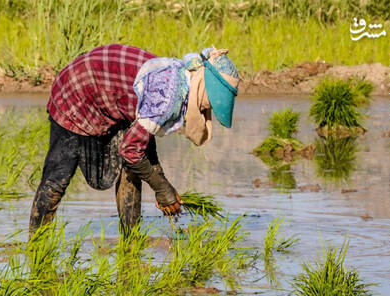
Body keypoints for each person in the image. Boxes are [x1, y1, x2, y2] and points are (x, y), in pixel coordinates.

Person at [29, 44, 240, 235]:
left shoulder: (184, 78)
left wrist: (162, 185)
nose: (206, 109)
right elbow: (130, 150)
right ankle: (37, 247)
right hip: (75, 91)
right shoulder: (168, 96)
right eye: (208, 105)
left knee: (132, 170)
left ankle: (131, 241)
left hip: (107, 94)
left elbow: (142, 147)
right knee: (58, 177)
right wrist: (162, 188)